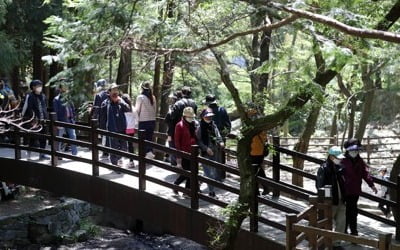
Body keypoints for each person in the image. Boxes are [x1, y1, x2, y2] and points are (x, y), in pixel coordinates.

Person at [342, 138, 377, 236]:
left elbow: (365, 173)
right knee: (345, 211)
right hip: (344, 190)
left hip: (355, 191)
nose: (355, 152)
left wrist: (371, 185)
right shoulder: (342, 160)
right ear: (348, 150)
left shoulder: (360, 161)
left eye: (357, 150)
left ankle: (354, 231)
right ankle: (343, 230)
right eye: (353, 150)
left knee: (353, 211)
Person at [317, 146, 346, 243]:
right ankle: (325, 242)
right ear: (331, 157)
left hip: (341, 200)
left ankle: (336, 242)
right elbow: (320, 186)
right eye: (338, 157)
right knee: (327, 223)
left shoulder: (340, 168)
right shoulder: (323, 168)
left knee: (342, 222)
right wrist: (327, 200)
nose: (339, 159)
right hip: (330, 201)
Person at [99, 83, 130, 169]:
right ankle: (115, 165)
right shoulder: (105, 103)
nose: (115, 92)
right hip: (112, 129)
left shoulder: (120, 101)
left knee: (124, 148)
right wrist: (102, 130)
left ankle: (119, 159)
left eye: (116, 90)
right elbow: (102, 118)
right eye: (113, 90)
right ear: (109, 92)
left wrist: (121, 102)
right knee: (113, 148)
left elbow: (128, 109)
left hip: (122, 128)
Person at [196, 108, 224, 197]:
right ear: (203, 117)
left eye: (210, 116)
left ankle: (198, 183)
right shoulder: (200, 127)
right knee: (210, 173)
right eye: (207, 117)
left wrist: (221, 141)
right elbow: (198, 140)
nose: (209, 118)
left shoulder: (213, 125)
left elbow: (218, 134)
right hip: (206, 153)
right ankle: (212, 192)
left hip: (215, 151)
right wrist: (206, 148)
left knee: (211, 171)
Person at [203, 94, 231, 179]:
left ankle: (211, 177)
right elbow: (228, 125)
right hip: (221, 138)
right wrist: (224, 135)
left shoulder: (206, 111)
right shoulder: (222, 110)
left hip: (208, 139)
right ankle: (220, 177)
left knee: (209, 158)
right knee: (220, 158)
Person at [21, 80, 49, 160]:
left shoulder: (43, 96)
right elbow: (28, 108)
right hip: (34, 120)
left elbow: (44, 107)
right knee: (33, 137)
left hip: (43, 120)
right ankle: (29, 154)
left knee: (43, 138)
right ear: (33, 87)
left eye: (40, 85)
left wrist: (45, 117)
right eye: (38, 86)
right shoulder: (30, 96)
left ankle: (42, 154)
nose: (40, 87)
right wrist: (32, 119)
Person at [173, 106, 197, 195]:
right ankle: (178, 186)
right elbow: (177, 141)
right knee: (188, 173)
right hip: (184, 152)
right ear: (185, 117)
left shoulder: (193, 124)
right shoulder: (179, 125)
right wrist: (179, 156)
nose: (191, 119)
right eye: (189, 117)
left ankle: (186, 191)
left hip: (193, 151)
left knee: (191, 172)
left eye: (192, 117)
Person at [247, 104, 269, 195]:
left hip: (254, 149)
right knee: (258, 169)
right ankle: (263, 188)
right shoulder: (261, 119)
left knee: (255, 170)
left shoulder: (251, 119)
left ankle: (258, 190)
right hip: (259, 149)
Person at [53, 84, 78, 158]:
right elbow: (55, 111)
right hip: (60, 121)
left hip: (70, 120)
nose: (66, 89)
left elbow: (72, 109)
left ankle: (75, 154)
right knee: (59, 138)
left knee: (73, 136)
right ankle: (58, 155)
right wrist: (56, 123)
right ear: (60, 89)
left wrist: (73, 118)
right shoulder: (56, 99)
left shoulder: (69, 98)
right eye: (64, 88)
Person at [135, 82, 157, 158]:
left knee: (142, 139)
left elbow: (137, 110)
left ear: (142, 88)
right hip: (152, 121)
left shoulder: (140, 97)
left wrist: (136, 122)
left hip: (143, 121)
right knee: (149, 138)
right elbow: (155, 110)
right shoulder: (153, 97)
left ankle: (144, 156)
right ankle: (149, 152)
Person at [92, 79, 110, 159]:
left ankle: (105, 152)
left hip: (102, 118)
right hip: (110, 117)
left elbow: (96, 108)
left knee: (103, 135)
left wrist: (94, 118)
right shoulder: (109, 94)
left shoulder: (99, 95)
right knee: (109, 134)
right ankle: (110, 151)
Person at [164, 91, 182, 166]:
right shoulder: (181, 106)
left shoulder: (174, 108)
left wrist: (169, 134)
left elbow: (168, 120)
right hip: (178, 131)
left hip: (173, 131)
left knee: (173, 148)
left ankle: (174, 165)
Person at [122, 94, 138, 168]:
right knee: (130, 144)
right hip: (130, 128)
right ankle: (131, 161)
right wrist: (133, 125)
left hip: (123, 128)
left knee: (121, 143)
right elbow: (137, 119)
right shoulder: (133, 108)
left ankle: (120, 160)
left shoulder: (121, 108)